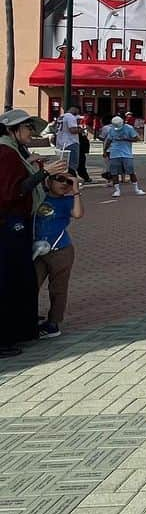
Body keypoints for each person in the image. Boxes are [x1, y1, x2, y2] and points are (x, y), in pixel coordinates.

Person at [0, 110, 68, 357]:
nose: (31, 133)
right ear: (13, 130)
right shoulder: (6, 153)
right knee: (9, 277)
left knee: (20, 276)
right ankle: (6, 336)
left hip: (17, 221)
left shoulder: (14, 152)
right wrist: (43, 172)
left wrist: (32, 166)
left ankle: (19, 328)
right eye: (27, 128)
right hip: (10, 222)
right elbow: (13, 191)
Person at [33, 170, 84, 337]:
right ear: (49, 181)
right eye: (59, 179)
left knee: (58, 288)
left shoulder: (68, 201)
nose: (64, 183)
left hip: (60, 250)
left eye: (68, 181)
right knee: (31, 284)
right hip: (37, 251)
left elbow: (78, 214)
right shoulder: (39, 197)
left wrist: (75, 191)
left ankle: (53, 323)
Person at [104, 115, 145, 198]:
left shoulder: (129, 128)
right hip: (114, 153)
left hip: (126, 153)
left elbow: (137, 138)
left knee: (130, 171)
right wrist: (105, 150)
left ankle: (136, 189)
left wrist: (125, 139)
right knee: (114, 172)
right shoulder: (112, 129)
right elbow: (108, 140)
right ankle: (117, 190)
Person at [54, 105, 80, 174]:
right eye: (78, 111)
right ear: (74, 109)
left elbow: (56, 129)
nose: (78, 113)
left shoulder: (61, 116)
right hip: (71, 142)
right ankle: (71, 181)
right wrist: (81, 130)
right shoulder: (71, 117)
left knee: (63, 164)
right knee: (72, 165)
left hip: (61, 143)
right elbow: (73, 130)